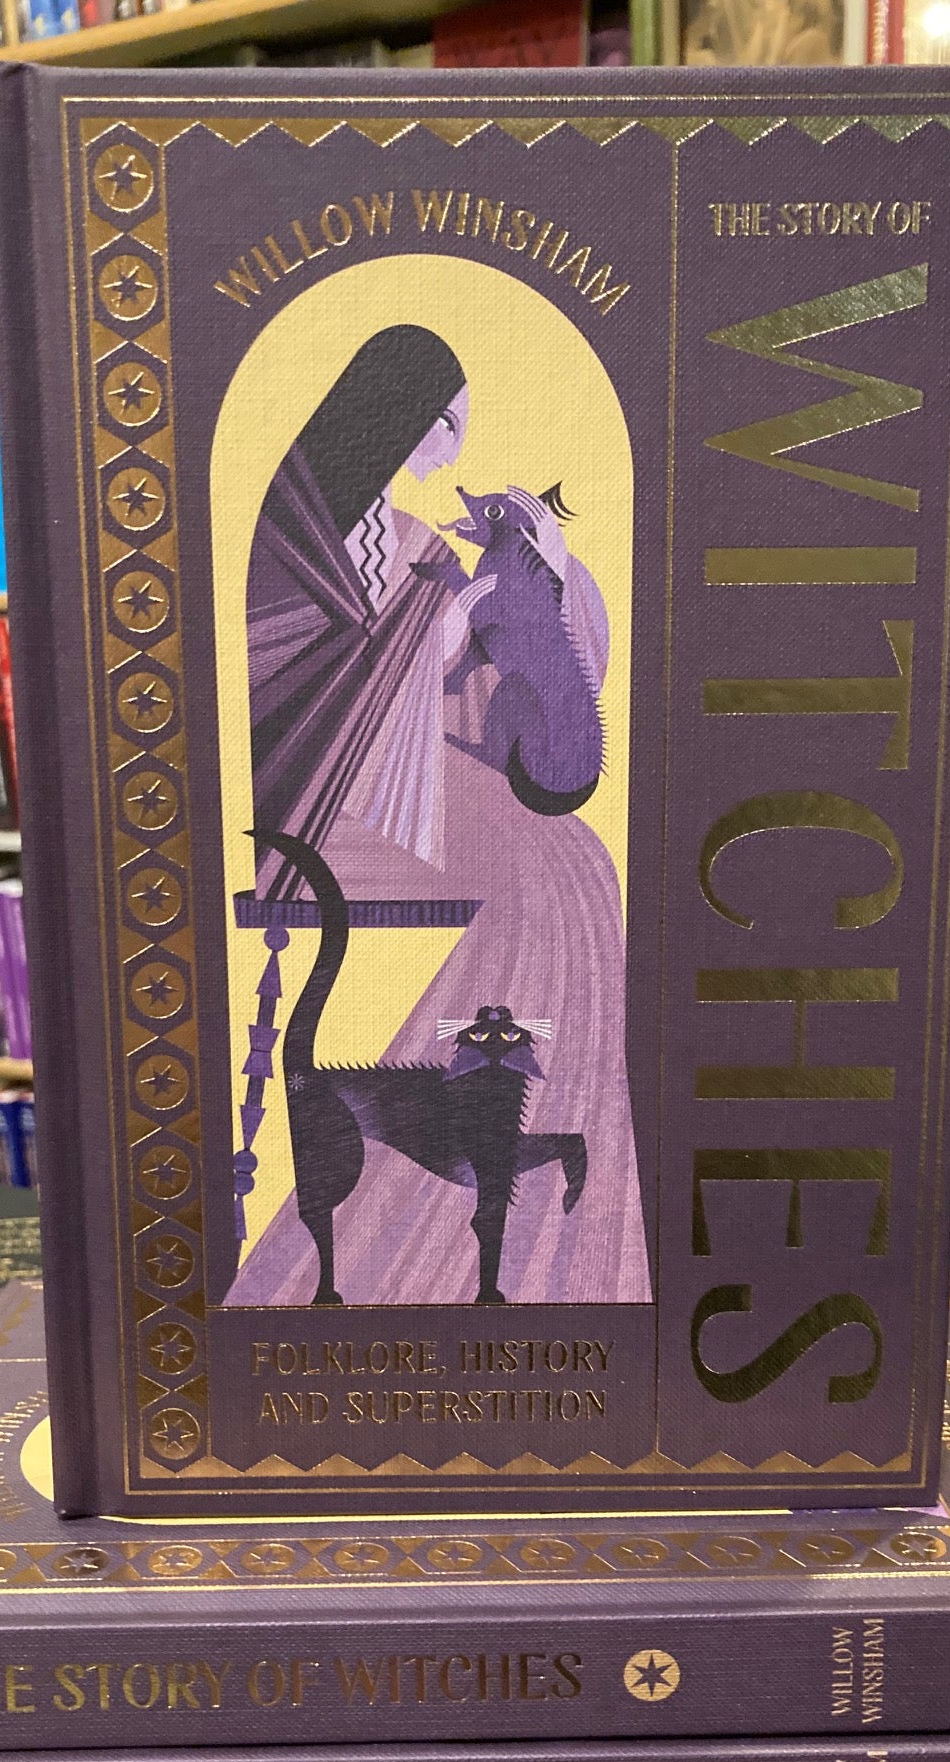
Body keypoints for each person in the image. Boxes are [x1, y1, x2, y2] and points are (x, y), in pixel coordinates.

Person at [230, 323, 650, 1307]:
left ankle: (538, 1191)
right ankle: (450, 1177)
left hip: (421, 779)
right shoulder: (290, 533)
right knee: (537, 882)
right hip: (327, 792)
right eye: (444, 423)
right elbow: (279, 674)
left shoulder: (417, 541)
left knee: (576, 859)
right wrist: (440, 630)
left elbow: (501, 692)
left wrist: (542, 581)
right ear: (393, 411)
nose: (451, 450)